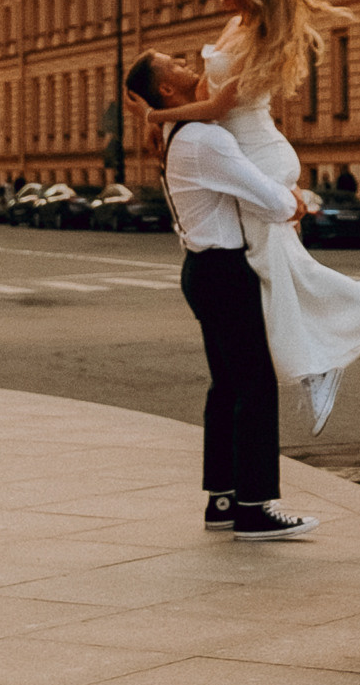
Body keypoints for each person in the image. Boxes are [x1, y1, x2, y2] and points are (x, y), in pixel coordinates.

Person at [149, 0, 360, 431]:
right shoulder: (237, 27)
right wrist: (166, 125)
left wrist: (158, 116)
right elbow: (205, 90)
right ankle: (318, 362)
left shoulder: (259, 37)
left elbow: (220, 106)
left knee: (273, 264)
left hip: (257, 154)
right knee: (274, 266)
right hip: (243, 154)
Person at [126, 48, 319, 540]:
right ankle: (255, 508)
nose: (190, 65)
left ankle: (224, 500)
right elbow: (270, 198)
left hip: (205, 270)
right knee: (253, 385)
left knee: (228, 387)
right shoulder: (205, 140)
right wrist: (296, 201)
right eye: (176, 65)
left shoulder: (178, 133)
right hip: (226, 272)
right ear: (166, 89)